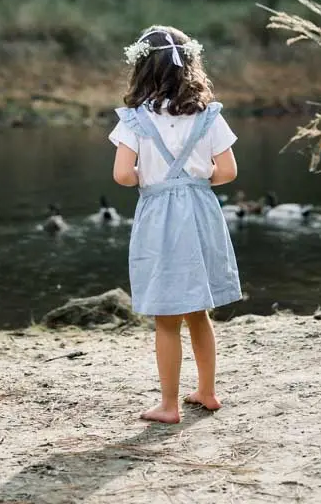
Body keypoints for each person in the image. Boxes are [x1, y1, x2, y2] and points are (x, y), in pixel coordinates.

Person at [108, 24, 241, 424]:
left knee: (166, 317)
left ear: (142, 69)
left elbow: (122, 176)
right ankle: (207, 391)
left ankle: (168, 405)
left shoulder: (134, 120)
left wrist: (153, 181)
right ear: (191, 67)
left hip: (159, 217)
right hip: (200, 212)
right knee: (198, 310)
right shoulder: (209, 115)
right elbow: (229, 171)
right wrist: (196, 183)